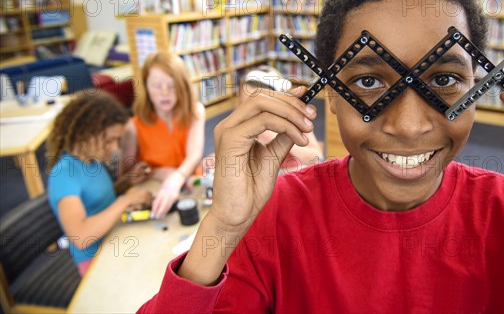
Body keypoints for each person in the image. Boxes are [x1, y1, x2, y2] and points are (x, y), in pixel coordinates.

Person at [139, 0, 504, 312]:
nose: (409, 125)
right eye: (368, 81)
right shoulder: (270, 219)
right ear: (331, 93)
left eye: (443, 80)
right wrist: (223, 225)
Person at [47, 91, 152, 276]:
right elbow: (80, 236)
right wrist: (124, 201)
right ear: (85, 134)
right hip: (94, 261)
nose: (115, 148)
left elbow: (98, 201)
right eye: (108, 141)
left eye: (117, 140)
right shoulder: (64, 174)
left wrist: (127, 182)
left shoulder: (92, 161)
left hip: (113, 239)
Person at [120, 51, 206, 218]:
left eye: (172, 85)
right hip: (155, 192)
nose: (165, 92)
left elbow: (194, 155)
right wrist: (161, 173)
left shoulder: (195, 112)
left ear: (182, 86)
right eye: (157, 86)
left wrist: (176, 177)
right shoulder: (133, 127)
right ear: (146, 86)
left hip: (191, 185)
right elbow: (127, 176)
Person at [202, 65, 323, 174]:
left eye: (258, 107)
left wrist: (287, 142)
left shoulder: (294, 120)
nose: (249, 112)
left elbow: (317, 158)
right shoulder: (239, 123)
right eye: (244, 105)